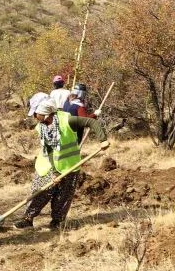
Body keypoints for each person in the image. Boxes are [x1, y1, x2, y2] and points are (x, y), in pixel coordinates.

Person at [15, 94, 109, 230]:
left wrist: (103, 139)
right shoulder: (41, 127)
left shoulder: (67, 120)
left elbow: (91, 122)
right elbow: (49, 149)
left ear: (46, 112)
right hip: (47, 166)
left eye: (36, 114)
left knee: (63, 196)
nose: (35, 117)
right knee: (40, 192)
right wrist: (54, 172)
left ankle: (57, 222)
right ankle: (27, 219)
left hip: (70, 166)